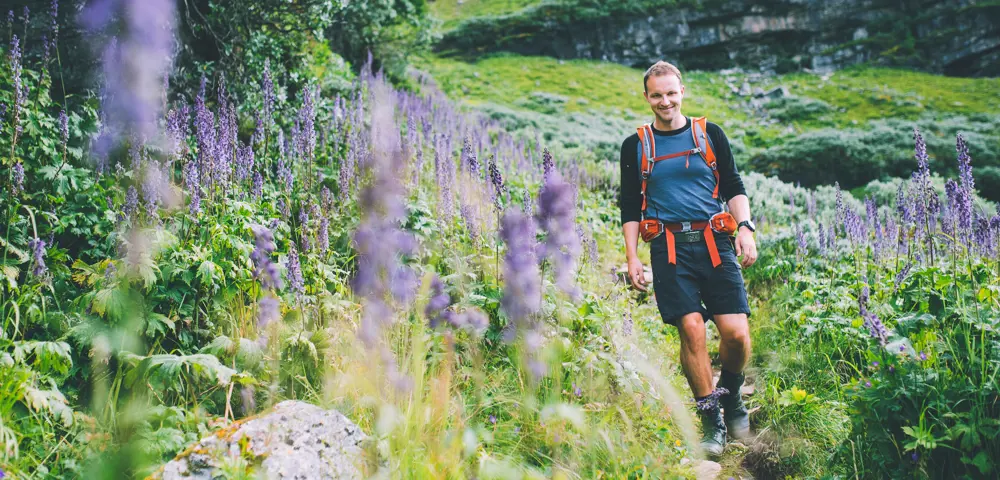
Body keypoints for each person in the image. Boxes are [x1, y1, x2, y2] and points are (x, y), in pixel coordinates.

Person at [618, 61, 758, 457]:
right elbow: (630, 206)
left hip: (715, 240)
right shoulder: (636, 145)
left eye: (671, 93)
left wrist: (744, 227)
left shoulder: (709, 133)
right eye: (657, 95)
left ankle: (730, 394)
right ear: (646, 97)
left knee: (736, 334)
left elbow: (732, 184)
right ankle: (710, 417)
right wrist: (633, 258)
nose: (665, 101)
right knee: (692, 329)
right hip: (668, 248)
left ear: (683, 91)